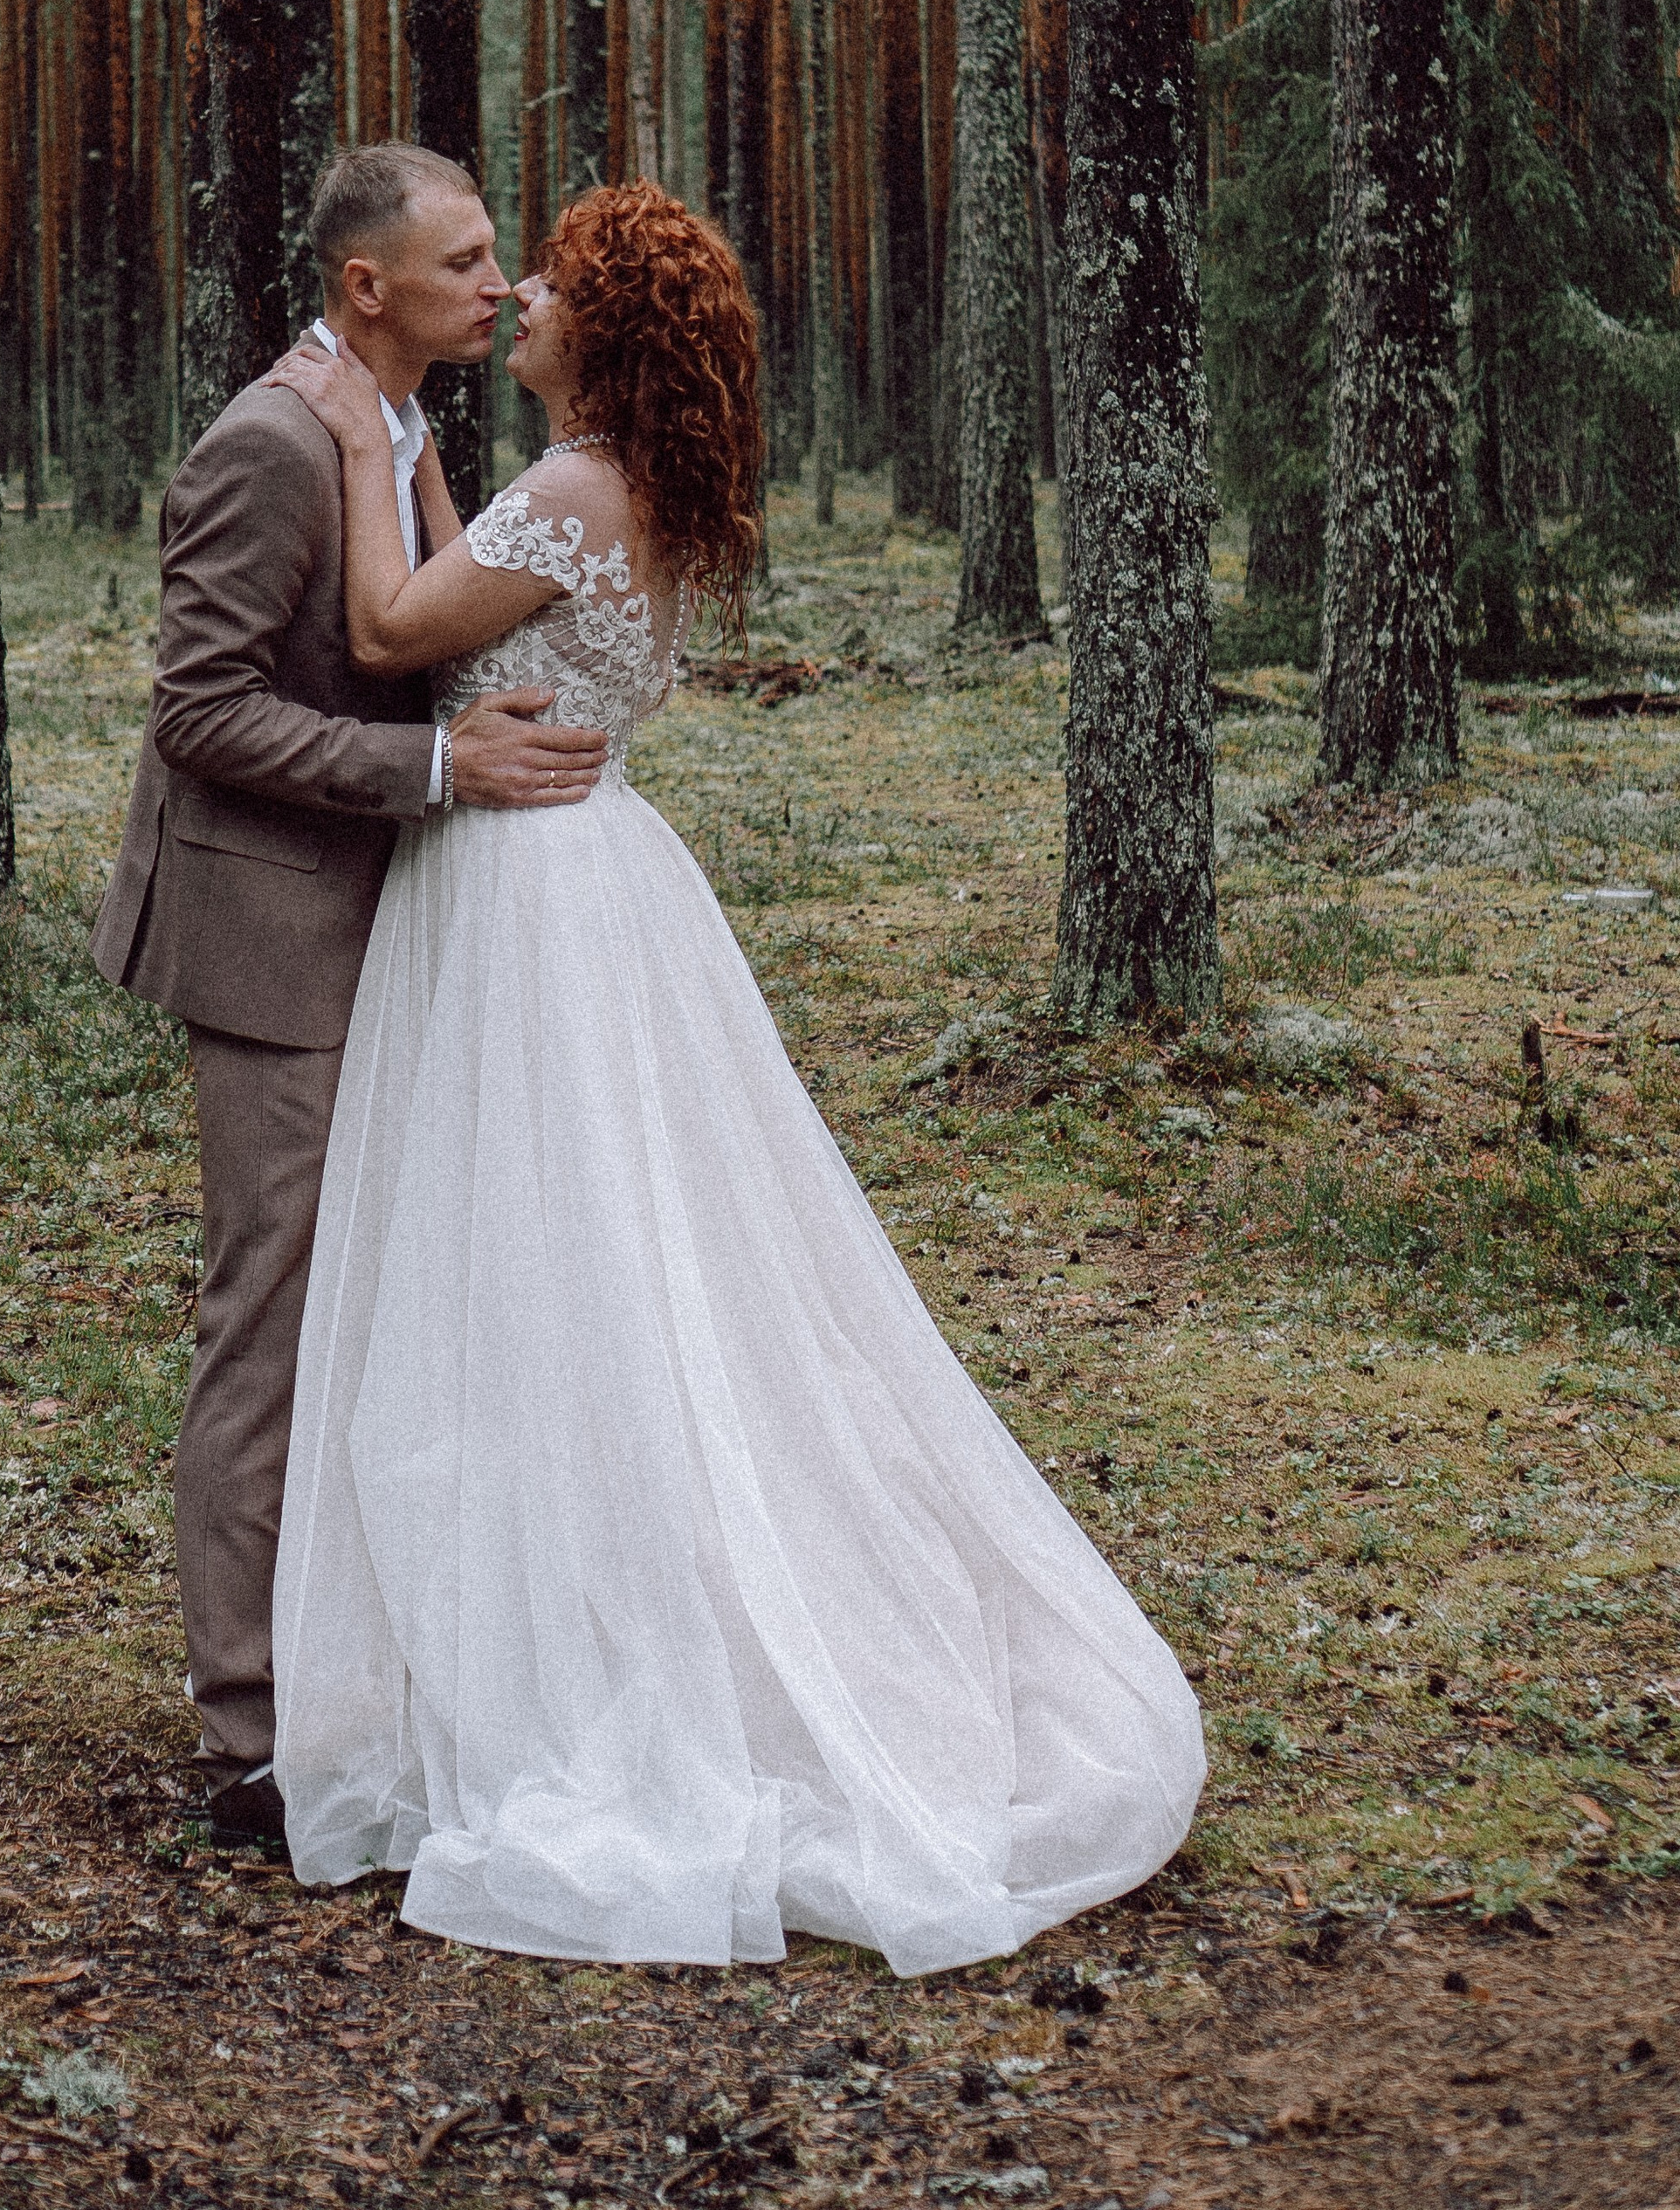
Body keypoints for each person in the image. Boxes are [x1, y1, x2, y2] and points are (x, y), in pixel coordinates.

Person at [264, 180, 1203, 1974]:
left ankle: (580, 1655)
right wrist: (425, 457)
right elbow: (483, 596)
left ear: (602, 332)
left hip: (523, 898)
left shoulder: (564, 493)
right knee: (629, 1263)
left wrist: (362, 426)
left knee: (544, 1270)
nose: (519, 292)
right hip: (598, 869)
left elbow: (391, 634)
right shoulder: (630, 492)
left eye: (554, 280)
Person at [93, 144, 609, 1858]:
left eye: (498, 261)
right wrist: (443, 763)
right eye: (464, 262)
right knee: (274, 1314)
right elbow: (203, 715)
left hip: (378, 925)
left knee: (369, 1307)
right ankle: (249, 1732)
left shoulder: (401, 429)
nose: (501, 286)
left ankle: (351, 1667)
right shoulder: (267, 441)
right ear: (364, 286)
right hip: (264, 939)